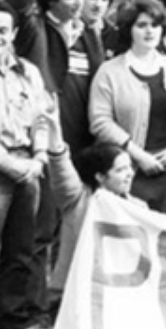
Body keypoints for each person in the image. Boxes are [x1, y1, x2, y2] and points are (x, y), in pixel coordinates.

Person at [0, 0, 52, 329]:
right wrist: (15, 167)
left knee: (20, 250)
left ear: (13, 33)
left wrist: (40, 156)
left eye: (1, 31)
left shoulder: (28, 71)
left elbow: (41, 117)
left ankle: (14, 322)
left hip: (28, 168)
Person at [89, 0, 166, 204]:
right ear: (129, 29)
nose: (150, 31)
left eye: (155, 25)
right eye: (142, 25)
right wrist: (139, 155)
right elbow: (100, 121)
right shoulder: (109, 71)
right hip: (130, 170)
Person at [39, 98, 142, 308]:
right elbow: (61, 169)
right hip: (73, 296)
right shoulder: (77, 199)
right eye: (120, 170)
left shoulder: (139, 208)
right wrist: (55, 134)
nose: (129, 175)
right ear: (100, 177)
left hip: (119, 295)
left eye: (130, 168)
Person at [5, 0, 104, 150]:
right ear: (51, 1)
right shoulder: (33, 28)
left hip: (82, 138)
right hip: (41, 137)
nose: (78, 2)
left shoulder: (89, 35)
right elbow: (13, 7)